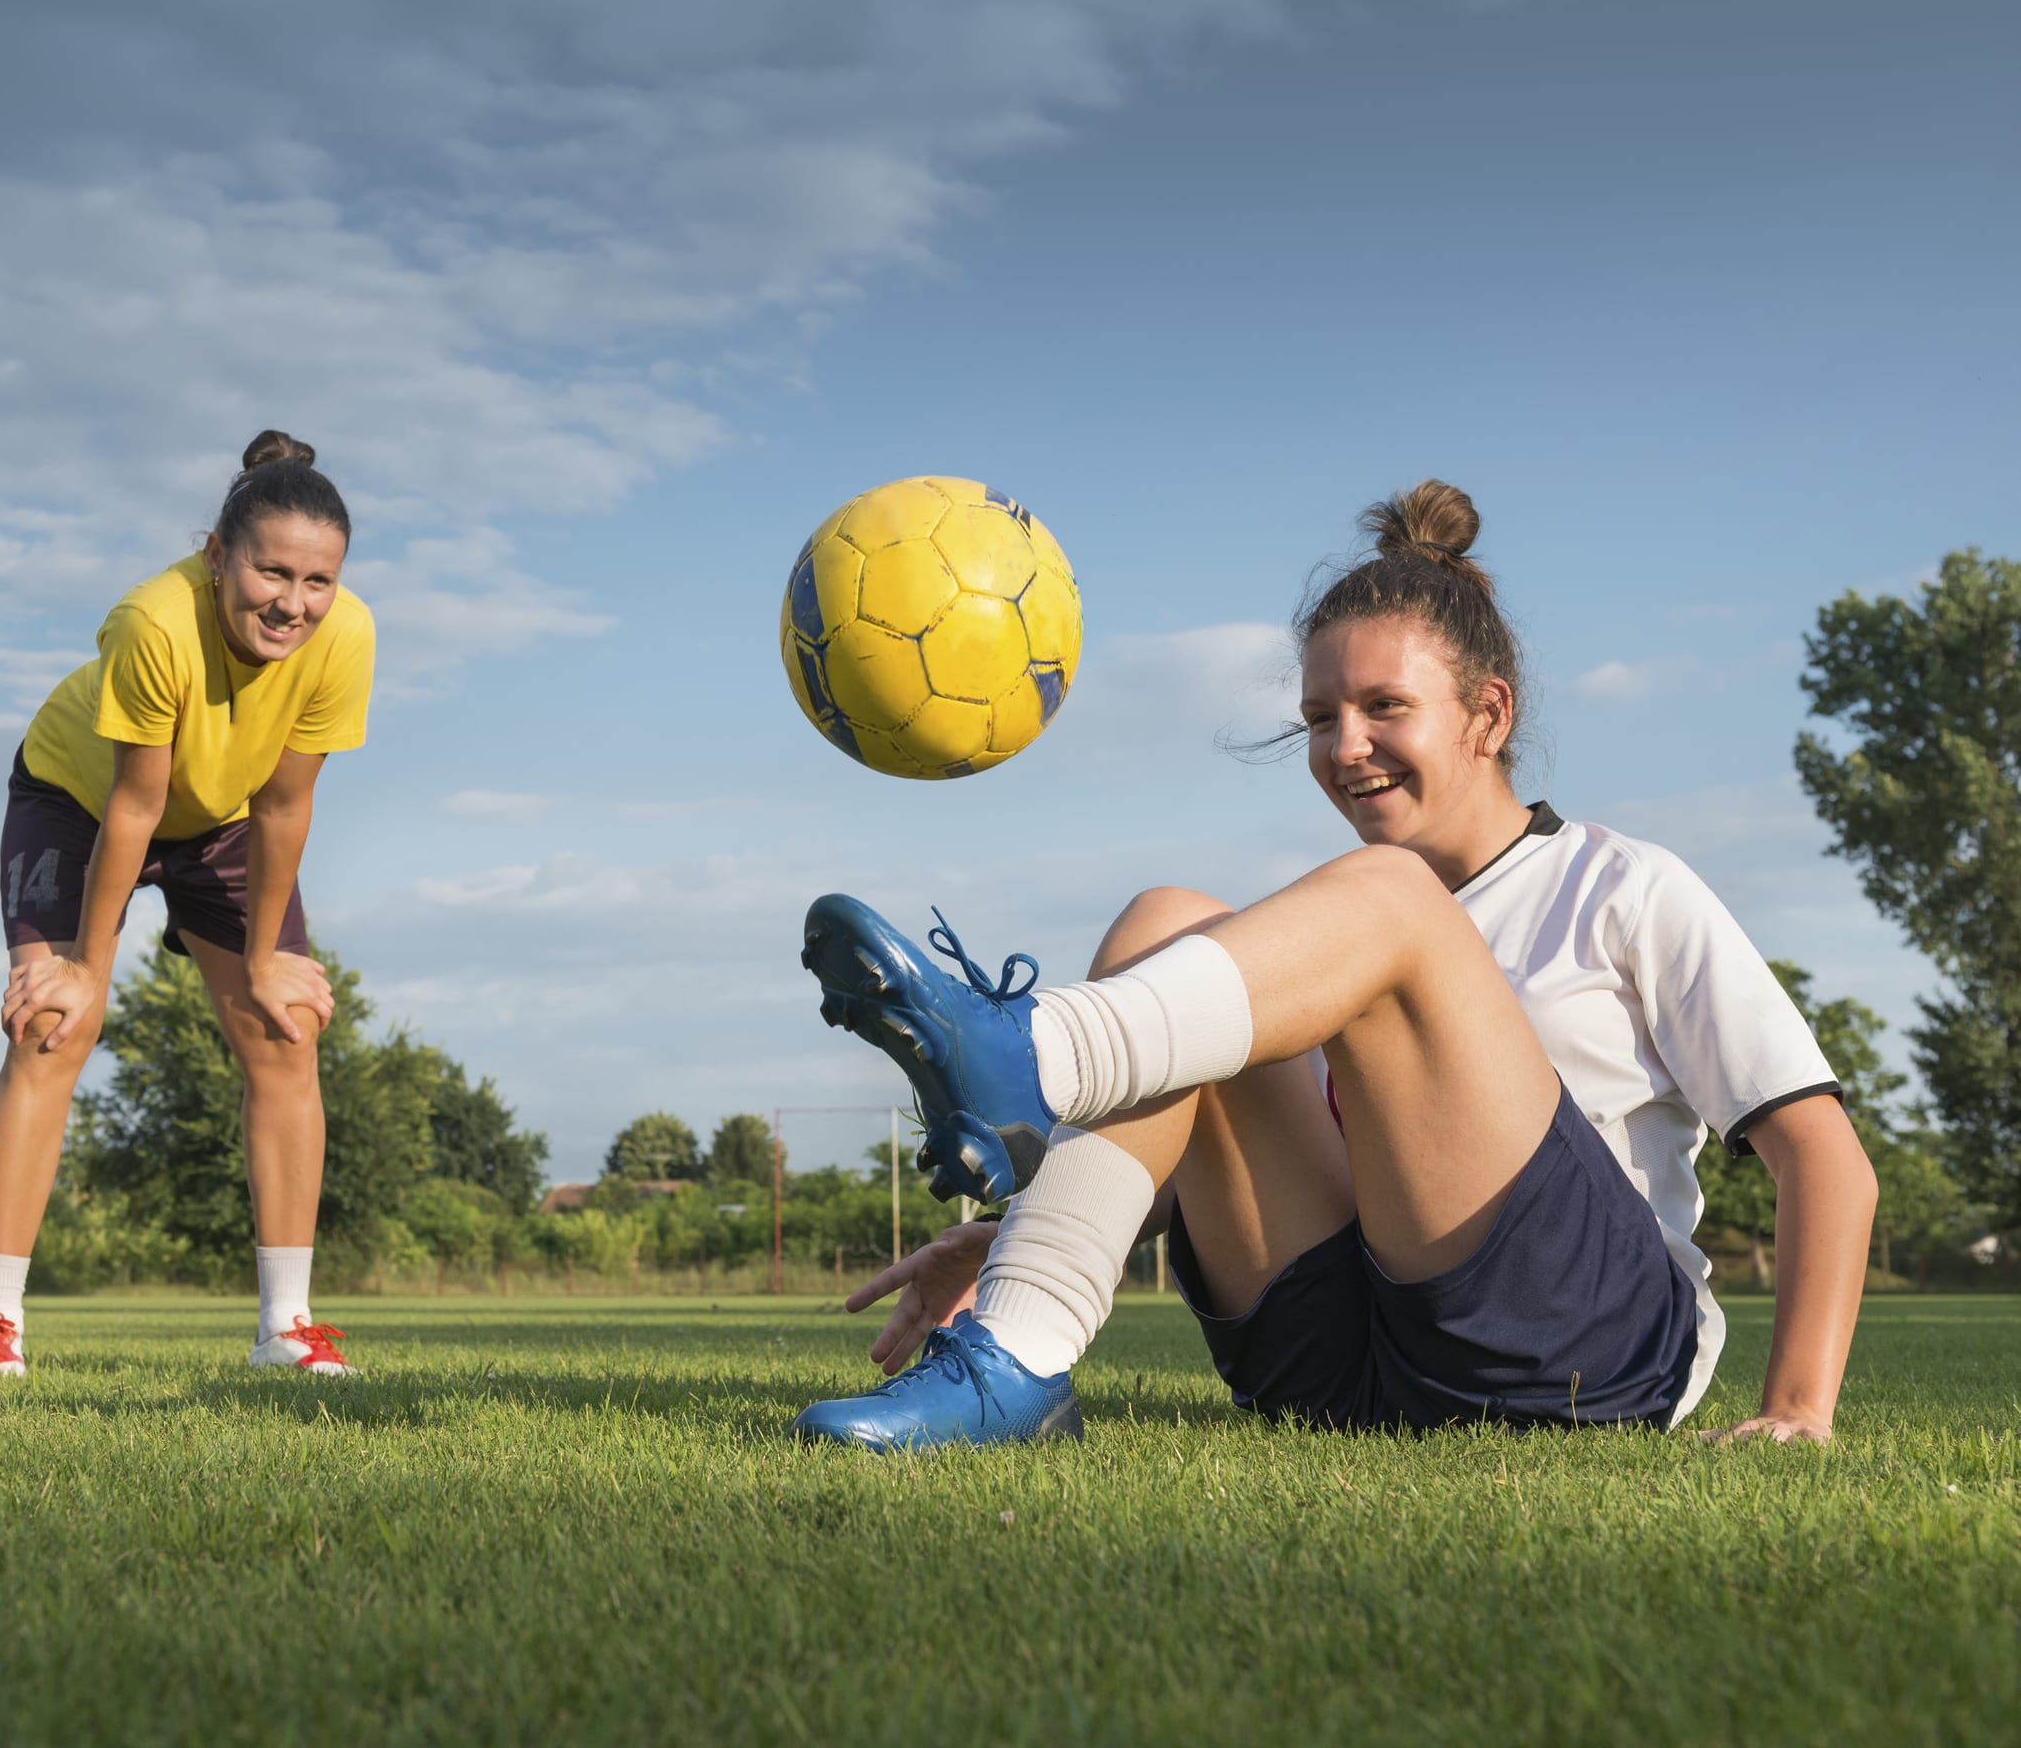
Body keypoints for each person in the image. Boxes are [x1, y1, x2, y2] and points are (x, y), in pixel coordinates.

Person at [793, 481, 1876, 1447]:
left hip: (1573, 1359)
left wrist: (1798, 1407)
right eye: (1320, 716)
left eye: (1384, 707)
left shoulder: (1620, 885)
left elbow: (1825, 1157)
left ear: (1488, 713)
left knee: (1390, 903)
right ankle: (1017, 1355)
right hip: (1345, 1357)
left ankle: (1037, 1050)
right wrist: (1007, 1238)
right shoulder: (1332, 926)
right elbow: (1191, 1170)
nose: (1344, 744)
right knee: (1172, 920)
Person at [0, 429, 374, 1379]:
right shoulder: (154, 621)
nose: (294, 602)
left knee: (289, 1024)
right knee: (52, 1026)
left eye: (318, 581)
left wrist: (265, 960)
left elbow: (286, 801)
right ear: (218, 555)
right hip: (80, 799)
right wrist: (83, 972)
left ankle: (287, 1329)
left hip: (223, 813)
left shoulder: (347, 635)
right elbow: (136, 805)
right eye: (271, 573)